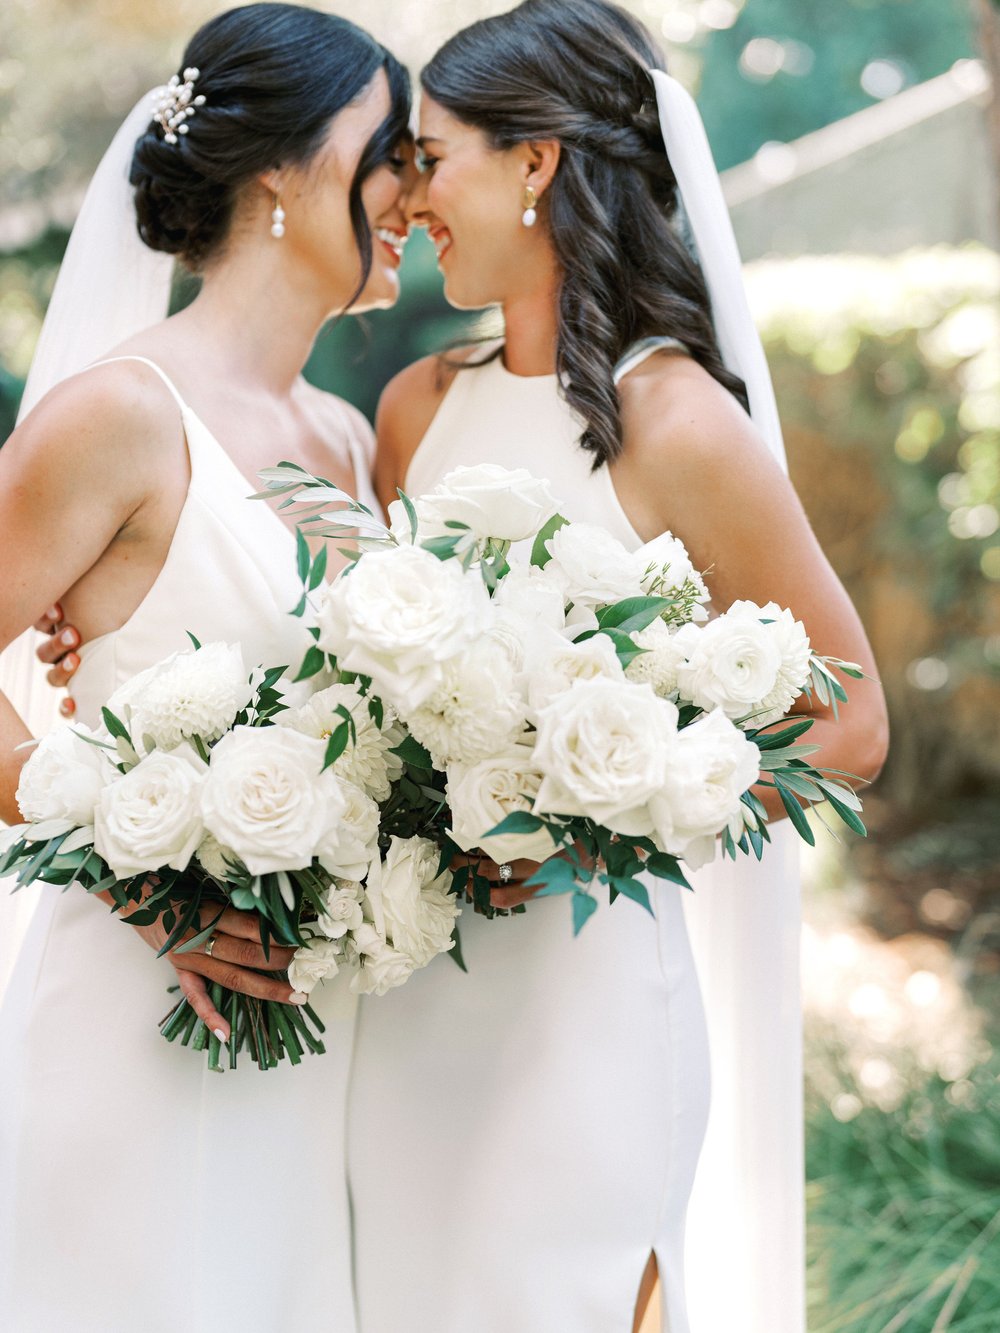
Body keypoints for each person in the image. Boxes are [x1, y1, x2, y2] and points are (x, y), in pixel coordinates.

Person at [346, 3, 889, 1332]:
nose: (412, 198)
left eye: (432, 155)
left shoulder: (677, 419)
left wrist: (605, 824)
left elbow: (853, 713)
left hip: (586, 996)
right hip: (412, 991)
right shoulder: (415, 405)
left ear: (536, 164)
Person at [0, 6, 411, 1329]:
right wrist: (134, 870)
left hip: (324, 1041)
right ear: (284, 172)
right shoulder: (121, 414)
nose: (415, 186)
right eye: (388, 148)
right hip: (140, 1019)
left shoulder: (345, 440)